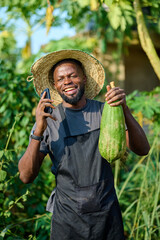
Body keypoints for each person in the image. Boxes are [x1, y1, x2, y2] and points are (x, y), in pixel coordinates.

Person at [18, 49, 150, 240]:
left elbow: (142, 149)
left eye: (72, 75)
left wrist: (124, 109)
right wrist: (38, 131)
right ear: (55, 86)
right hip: (67, 222)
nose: (67, 82)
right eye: (61, 79)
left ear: (85, 78)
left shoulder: (106, 112)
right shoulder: (49, 121)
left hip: (107, 218)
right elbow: (26, 176)